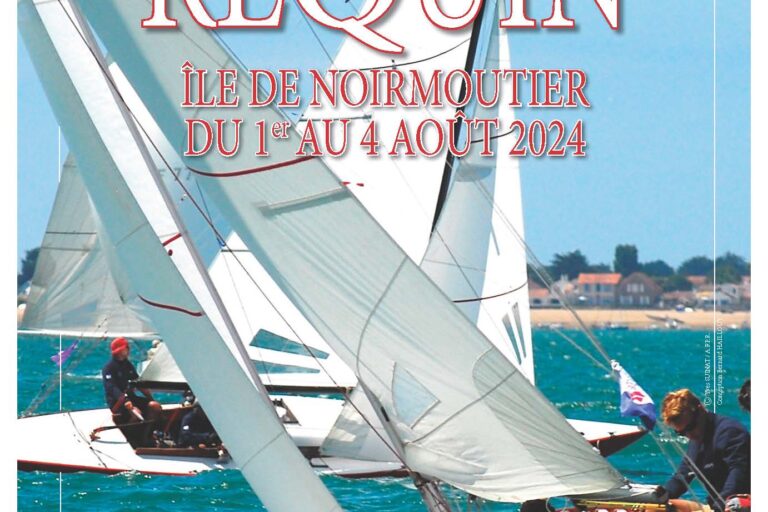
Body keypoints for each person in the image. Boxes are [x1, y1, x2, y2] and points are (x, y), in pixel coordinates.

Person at [657, 389, 749, 511]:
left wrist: (718, 507)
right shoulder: (696, 439)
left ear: (700, 409)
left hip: (739, 504)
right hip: (714, 506)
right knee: (659, 506)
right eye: (682, 433)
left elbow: (737, 476)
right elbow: (681, 478)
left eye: (690, 427)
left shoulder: (730, 432)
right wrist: (658, 497)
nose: (689, 435)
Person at [102, 337, 161, 424]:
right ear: (121, 350)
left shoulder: (127, 365)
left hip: (131, 398)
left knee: (155, 406)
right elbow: (112, 388)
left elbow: (137, 381)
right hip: (118, 403)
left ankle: (149, 430)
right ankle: (133, 431)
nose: (129, 350)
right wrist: (126, 401)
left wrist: (150, 398)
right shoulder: (109, 368)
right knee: (136, 414)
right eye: (127, 347)